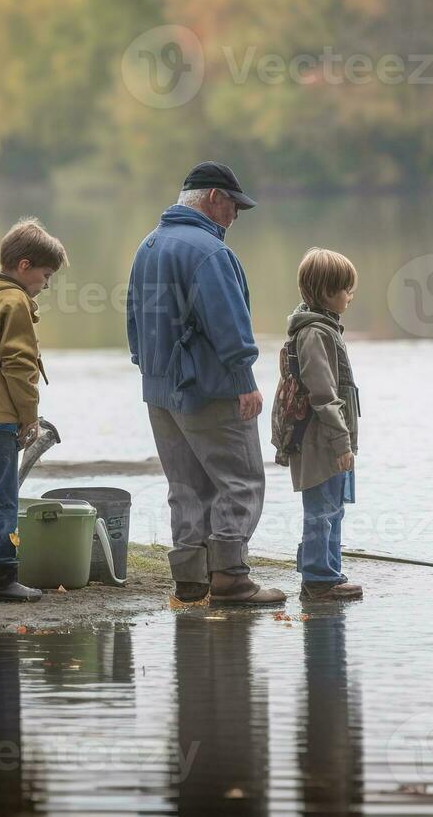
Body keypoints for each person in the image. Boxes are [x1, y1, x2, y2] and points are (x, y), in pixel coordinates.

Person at [127, 161, 284, 606]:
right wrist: (244, 381)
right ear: (214, 199)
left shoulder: (148, 245)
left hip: (159, 390)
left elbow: (134, 320)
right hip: (210, 388)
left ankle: (191, 580)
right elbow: (229, 326)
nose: (235, 217)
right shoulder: (210, 253)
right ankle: (231, 576)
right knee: (241, 480)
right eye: (234, 207)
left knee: (186, 485)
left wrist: (148, 371)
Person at [0, 218, 67, 603]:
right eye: (45, 273)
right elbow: (19, 364)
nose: (47, 282)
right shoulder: (14, 300)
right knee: (1, 498)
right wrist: (29, 416)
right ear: (24, 266)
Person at [274, 248, 363, 601]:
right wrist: (342, 444)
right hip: (318, 439)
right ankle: (317, 579)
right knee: (321, 509)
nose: (350, 297)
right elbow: (323, 394)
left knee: (333, 506)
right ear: (327, 293)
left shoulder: (325, 328)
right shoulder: (315, 333)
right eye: (346, 290)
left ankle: (328, 571)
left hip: (329, 437)